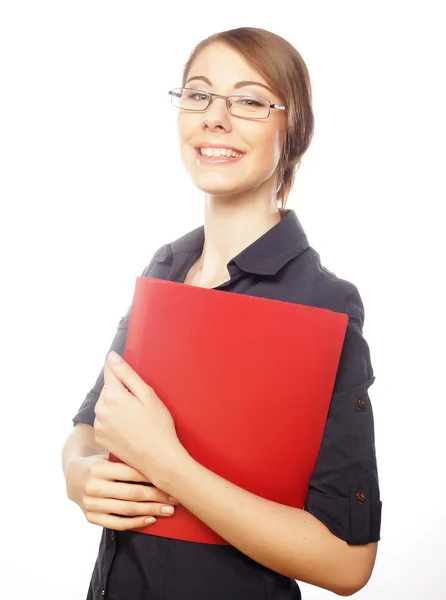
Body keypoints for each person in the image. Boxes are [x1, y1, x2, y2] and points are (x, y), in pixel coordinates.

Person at [62, 27, 381, 600]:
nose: (215, 116)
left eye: (250, 100)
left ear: (295, 131)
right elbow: (92, 426)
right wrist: (79, 473)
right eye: (199, 94)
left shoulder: (323, 303)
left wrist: (170, 466)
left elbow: (347, 563)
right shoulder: (165, 266)